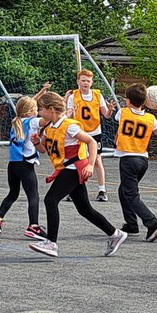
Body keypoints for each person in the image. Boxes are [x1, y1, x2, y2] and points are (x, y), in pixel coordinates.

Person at [29, 91, 127, 259]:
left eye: (41, 109)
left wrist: (90, 164)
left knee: (50, 200)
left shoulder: (69, 125)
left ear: (51, 109)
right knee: (84, 209)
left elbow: (91, 142)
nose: (39, 112)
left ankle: (51, 243)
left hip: (74, 167)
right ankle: (115, 233)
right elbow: (44, 150)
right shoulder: (49, 128)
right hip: (65, 168)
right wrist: (37, 142)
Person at [112, 83, 157, 241]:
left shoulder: (123, 112)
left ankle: (152, 223)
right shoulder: (150, 118)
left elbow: (117, 117)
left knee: (131, 195)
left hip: (128, 159)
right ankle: (131, 224)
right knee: (123, 191)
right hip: (142, 160)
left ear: (128, 101)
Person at [0, 94, 47, 240]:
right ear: (29, 112)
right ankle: (33, 226)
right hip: (25, 164)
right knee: (33, 195)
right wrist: (64, 111)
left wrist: (41, 93)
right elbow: (46, 120)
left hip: (13, 164)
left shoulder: (17, 121)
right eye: (36, 109)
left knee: (13, 194)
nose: (38, 112)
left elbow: (26, 106)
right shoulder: (32, 121)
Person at [65, 68, 115, 202]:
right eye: (83, 80)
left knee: (97, 160)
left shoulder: (98, 95)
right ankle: (75, 190)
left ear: (92, 82)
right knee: (78, 161)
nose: (85, 83)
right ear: (78, 82)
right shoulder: (72, 96)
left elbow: (106, 115)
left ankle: (102, 190)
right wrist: (70, 112)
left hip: (94, 132)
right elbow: (67, 114)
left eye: (88, 81)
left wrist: (109, 110)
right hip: (79, 132)